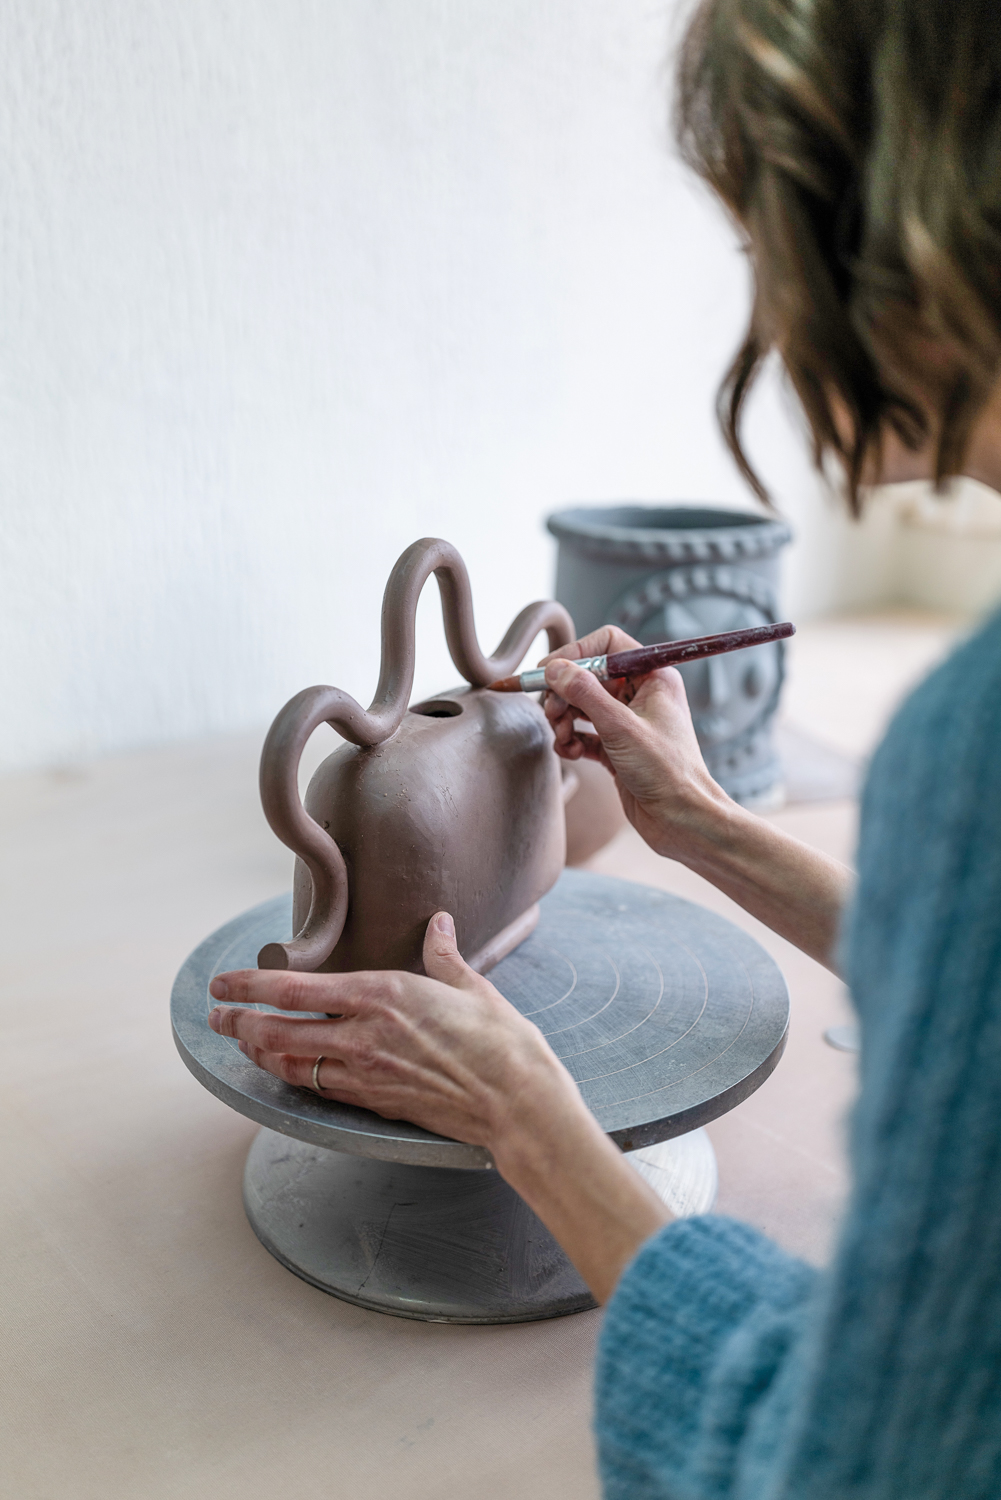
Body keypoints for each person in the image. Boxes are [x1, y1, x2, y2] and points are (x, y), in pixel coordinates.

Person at [208, 0, 1001, 1492]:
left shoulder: (974, 746)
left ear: (896, 231)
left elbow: (835, 1470)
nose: (766, 320)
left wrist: (528, 1122)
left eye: (759, 242)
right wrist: (697, 819)